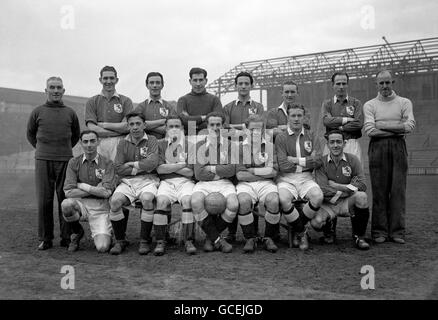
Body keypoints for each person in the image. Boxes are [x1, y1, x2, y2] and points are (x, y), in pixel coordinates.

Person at [26, 76, 81, 250]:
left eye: (59, 87)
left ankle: (66, 237)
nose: (55, 90)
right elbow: (31, 134)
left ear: (63, 91)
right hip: (43, 160)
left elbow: (75, 135)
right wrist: (43, 149)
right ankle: (45, 238)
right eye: (52, 87)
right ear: (46, 90)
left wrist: (62, 150)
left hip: (65, 160)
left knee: (64, 199)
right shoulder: (37, 111)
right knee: (44, 200)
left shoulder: (70, 112)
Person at [363, 70, 415, 244]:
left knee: (398, 191)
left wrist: (382, 125)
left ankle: (397, 232)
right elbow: (370, 130)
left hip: (399, 148)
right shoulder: (370, 105)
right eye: (381, 83)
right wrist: (396, 128)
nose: (384, 86)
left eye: (387, 82)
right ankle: (379, 232)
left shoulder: (404, 102)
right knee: (379, 191)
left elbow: (409, 126)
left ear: (393, 82)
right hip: (377, 149)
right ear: (376, 84)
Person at [222, 71, 265, 243]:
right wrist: (243, 129)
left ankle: (253, 233)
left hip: (252, 149)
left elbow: (258, 127)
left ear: (252, 85)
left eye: (247, 83)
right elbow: (225, 130)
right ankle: (231, 233)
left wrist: (238, 129)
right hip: (233, 150)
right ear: (235, 86)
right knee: (233, 190)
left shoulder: (258, 107)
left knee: (251, 190)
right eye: (240, 83)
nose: (243, 86)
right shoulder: (228, 107)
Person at [109, 112, 159, 255]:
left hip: (148, 180)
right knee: (115, 202)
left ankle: (144, 240)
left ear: (144, 125)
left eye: (138, 124)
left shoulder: (152, 140)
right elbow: (118, 167)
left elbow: (153, 163)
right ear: (128, 126)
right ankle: (120, 240)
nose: (135, 127)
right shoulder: (123, 142)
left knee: (147, 199)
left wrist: (131, 164)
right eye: (132, 124)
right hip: (128, 181)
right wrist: (140, 167)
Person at [275, 104, 323, 251]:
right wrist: (308, 161)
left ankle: (297, 229)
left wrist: (296, 160)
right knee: (283, 199)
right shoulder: (281, 137)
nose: (296, 119)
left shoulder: (312, 135)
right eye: (293, 116)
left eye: (299, 116)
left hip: (307, 178)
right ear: (288, 117)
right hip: (286, 178)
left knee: (318, 197)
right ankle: (302, 233)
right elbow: (283, 165)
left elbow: (319, 161)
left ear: (304, 117)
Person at [312, 130, 370, 250]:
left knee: (362, 196)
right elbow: (323, 190)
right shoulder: (321, 163)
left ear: (344, 143)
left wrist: (338, 186)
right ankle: (329, 232)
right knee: (316, 223)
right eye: (332, 142)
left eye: (339, 142)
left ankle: (359, 237)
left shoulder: (353, 160)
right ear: (327, 145)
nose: (335, 145)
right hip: (328, 204)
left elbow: (362, 184)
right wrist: (349, 189)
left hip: (346, 202)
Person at [61, 130, 117, 253]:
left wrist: (81, 185)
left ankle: (110, 232)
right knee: (66, 204)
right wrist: (96, 189)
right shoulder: (73, 162)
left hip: (101, 208)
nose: (89, 145)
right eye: (85, 141)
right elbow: (68, 192)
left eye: (92, 141)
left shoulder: (107, 163)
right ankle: (77, 232)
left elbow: (107, 192)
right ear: (81, 143)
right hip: (81, 205)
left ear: (98, 142)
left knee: (102, 247)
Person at [191, 112, 238, 253]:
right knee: (195, 202)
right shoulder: (199, 145)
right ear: (207, 126)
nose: (215, 127)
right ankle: (218, 239)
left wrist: (210, 168)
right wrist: (220, 171)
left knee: (234, 204)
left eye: (218, 124)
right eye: (212, 124)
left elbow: (231, 170)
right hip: (203, 183)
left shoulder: (230, 145)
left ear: (223, 126)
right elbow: (198, 173)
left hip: (225, 183)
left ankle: (211, 238)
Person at [235, 114, 280, 253]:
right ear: (246, 129)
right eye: (252, 129)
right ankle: (250, 237)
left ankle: (268, 237)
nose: (255, 132)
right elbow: (240, 175)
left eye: (259, 129)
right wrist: (263, 172)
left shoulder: (270, 146)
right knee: (243, 201)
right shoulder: (240, 147)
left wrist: (252, 170)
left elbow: (273, 172)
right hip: (246, 184)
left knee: (273, 200)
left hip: (266, 184)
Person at [155, 115, 197, 255]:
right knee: (161, 201)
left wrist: (169, 165)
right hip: (166, 182)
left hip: (186, 182)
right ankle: (161, 241)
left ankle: (188, 240)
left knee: (187, 201)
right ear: (166, 129)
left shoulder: (190, 146)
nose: (174, 129)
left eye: (177, 126)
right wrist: (182, 165)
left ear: (183, 129)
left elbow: (191, 172)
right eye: (171, 126)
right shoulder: (159, 144)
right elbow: (160, 169)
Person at [85, 66, 133, 161]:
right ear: (100, 80)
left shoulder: (126, 101)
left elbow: (128, 126)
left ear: (117, 80)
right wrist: (118, 130)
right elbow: (93, 128)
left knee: (118, 173)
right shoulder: (92, 101)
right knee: (99, 173)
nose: (108, 81)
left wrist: (103, 124)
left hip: (119, 143)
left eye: (112, 78)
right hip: (99, 143)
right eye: (105, 78)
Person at [320, 72, 364, 162]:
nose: (341, 86)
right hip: (332, 143)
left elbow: (358, 124)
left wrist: (341, 127)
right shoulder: (327, 104)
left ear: (347, 85)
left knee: (354, 174)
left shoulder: (356, 103)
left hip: (351, 143)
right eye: (338, 84)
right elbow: (326, 121)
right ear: (333, 85)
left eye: (344, 83)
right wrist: (346, 120)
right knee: (331, 173)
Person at [177, 67, 223, 135]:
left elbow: (217, 121)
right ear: (190, 81)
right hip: (189, 139)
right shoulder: (183, 100)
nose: (198, 84)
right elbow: (183, 121)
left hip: (211, 138)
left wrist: (191, 121)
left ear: (206, 81)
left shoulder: (215, 100)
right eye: (195, 80)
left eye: (201, 80)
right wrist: (205, 118)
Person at [134, 72, 176, 140]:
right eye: (151, 83)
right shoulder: (140, 107)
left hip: (165, 145)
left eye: (158, 82)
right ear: (147, 85)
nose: (154, 85)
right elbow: (136, 127)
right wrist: (161, 122)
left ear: (162, 85)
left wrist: (146, 126)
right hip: (145, 146)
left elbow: (172, 129)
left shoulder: (169, 107)